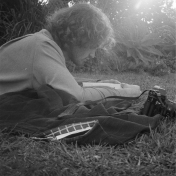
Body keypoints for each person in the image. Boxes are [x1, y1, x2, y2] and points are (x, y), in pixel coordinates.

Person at [0, 3, 140, 102]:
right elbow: (76, 96)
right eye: (93, 47)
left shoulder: (45, 44)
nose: (92, 55)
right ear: (79, 35)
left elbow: (64, 81)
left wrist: (100, 83)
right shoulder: (42, 47)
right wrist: (125, 93)